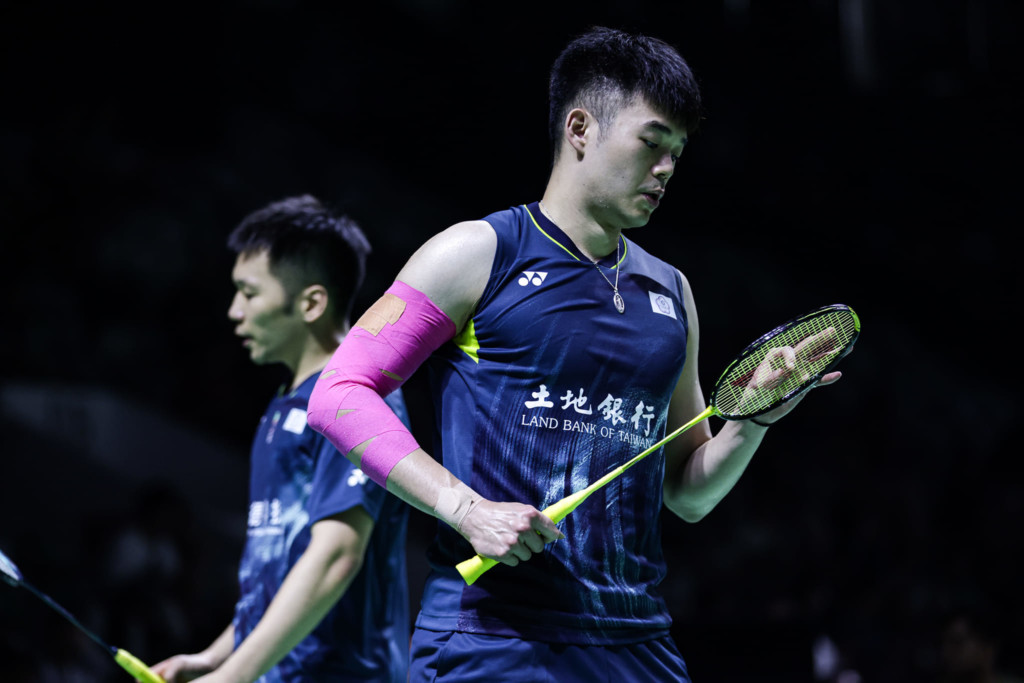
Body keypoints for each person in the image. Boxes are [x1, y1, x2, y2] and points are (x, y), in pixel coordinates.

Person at [307, 26, 848, 682]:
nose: (666, 169)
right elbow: (339, 392)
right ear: (581, 128)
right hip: (493, 637)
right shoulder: (479, 255)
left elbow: (687, 494)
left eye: (677, 153)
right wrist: (465, 508)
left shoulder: (671, 292)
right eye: (651, 143)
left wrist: (750, 421)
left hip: (635, 642)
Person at [154, 196, 411, 682]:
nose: (234, 311)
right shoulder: (286, 406)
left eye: (249, 293)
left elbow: (336, 556)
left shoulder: (356, 401)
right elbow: (278, 573)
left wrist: (231, 676)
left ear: (311, 303)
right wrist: (213, 658)